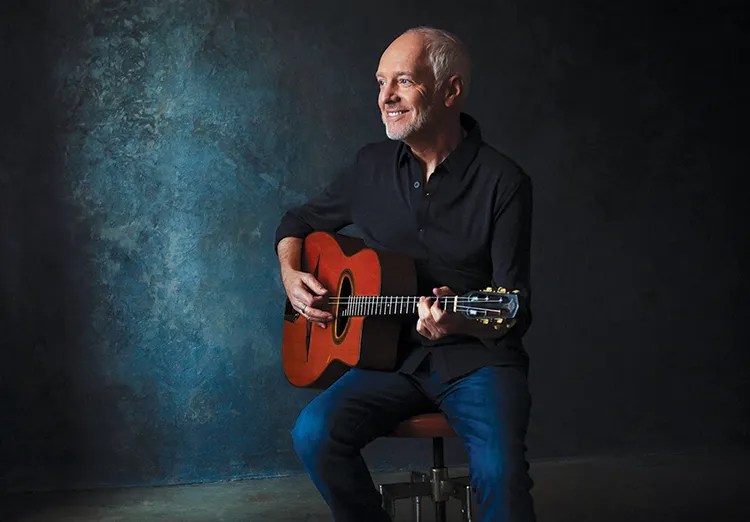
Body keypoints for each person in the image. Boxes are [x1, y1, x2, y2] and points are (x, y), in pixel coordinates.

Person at [274, 26, 535, 522]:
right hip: (388, 360)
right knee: (314, 433)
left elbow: (513, 308)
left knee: (500, 474)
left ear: (450, 90)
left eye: (403, 82)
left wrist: (457, 321)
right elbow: (298, 223)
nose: (386, 98)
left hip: (476, 363)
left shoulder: (504, 182)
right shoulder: (369, 166)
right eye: (380, 83)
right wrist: (290, 274)